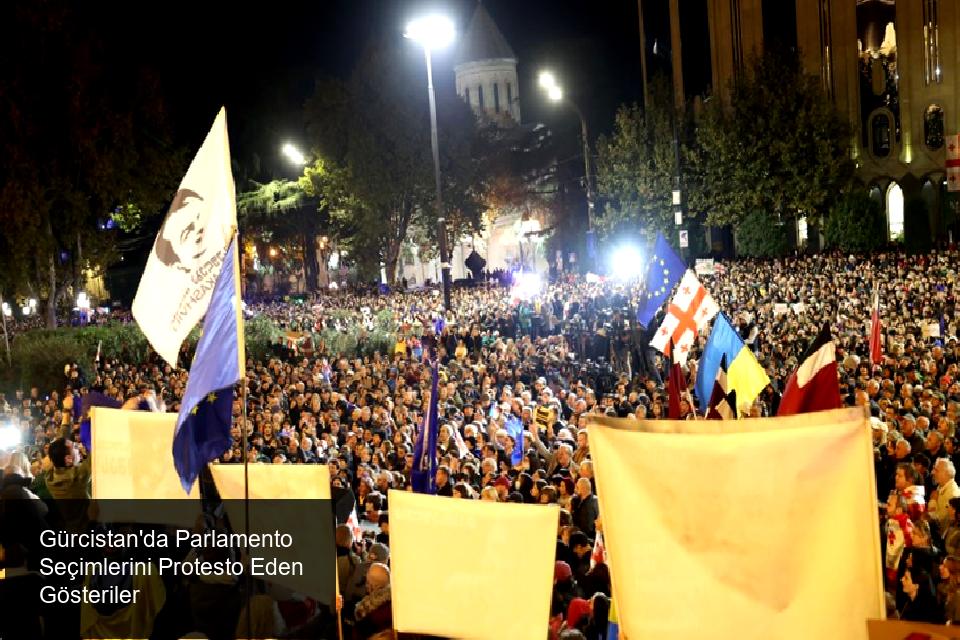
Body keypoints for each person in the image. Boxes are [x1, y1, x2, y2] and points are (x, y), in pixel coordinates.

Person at [353, 562, 392, 640]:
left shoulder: (367, 612)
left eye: (367, 582)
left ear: (372, 586)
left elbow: (358, 634)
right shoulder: (395, 602)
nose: (366, 585)